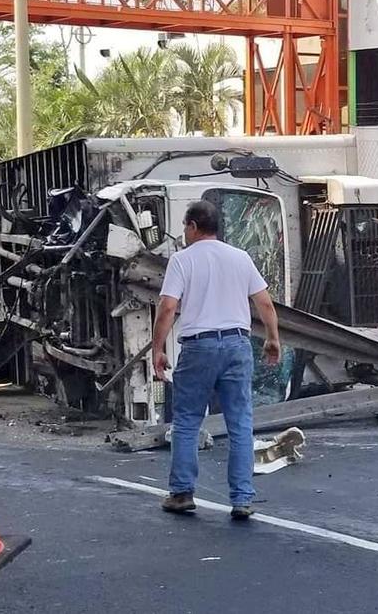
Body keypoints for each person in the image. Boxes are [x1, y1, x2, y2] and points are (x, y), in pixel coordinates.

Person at [151, 201, 281, 519]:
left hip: (199, 347)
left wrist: (157, 348)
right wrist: (273, 338)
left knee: (186, 422)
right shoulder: (240, 257)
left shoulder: (182, 261)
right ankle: (241, 499)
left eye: (185, 227)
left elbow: (168, 307)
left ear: (193, 226)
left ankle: (182, 493)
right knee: (240, 423)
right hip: (237, 344)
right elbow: (264, 302)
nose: (184, 233)